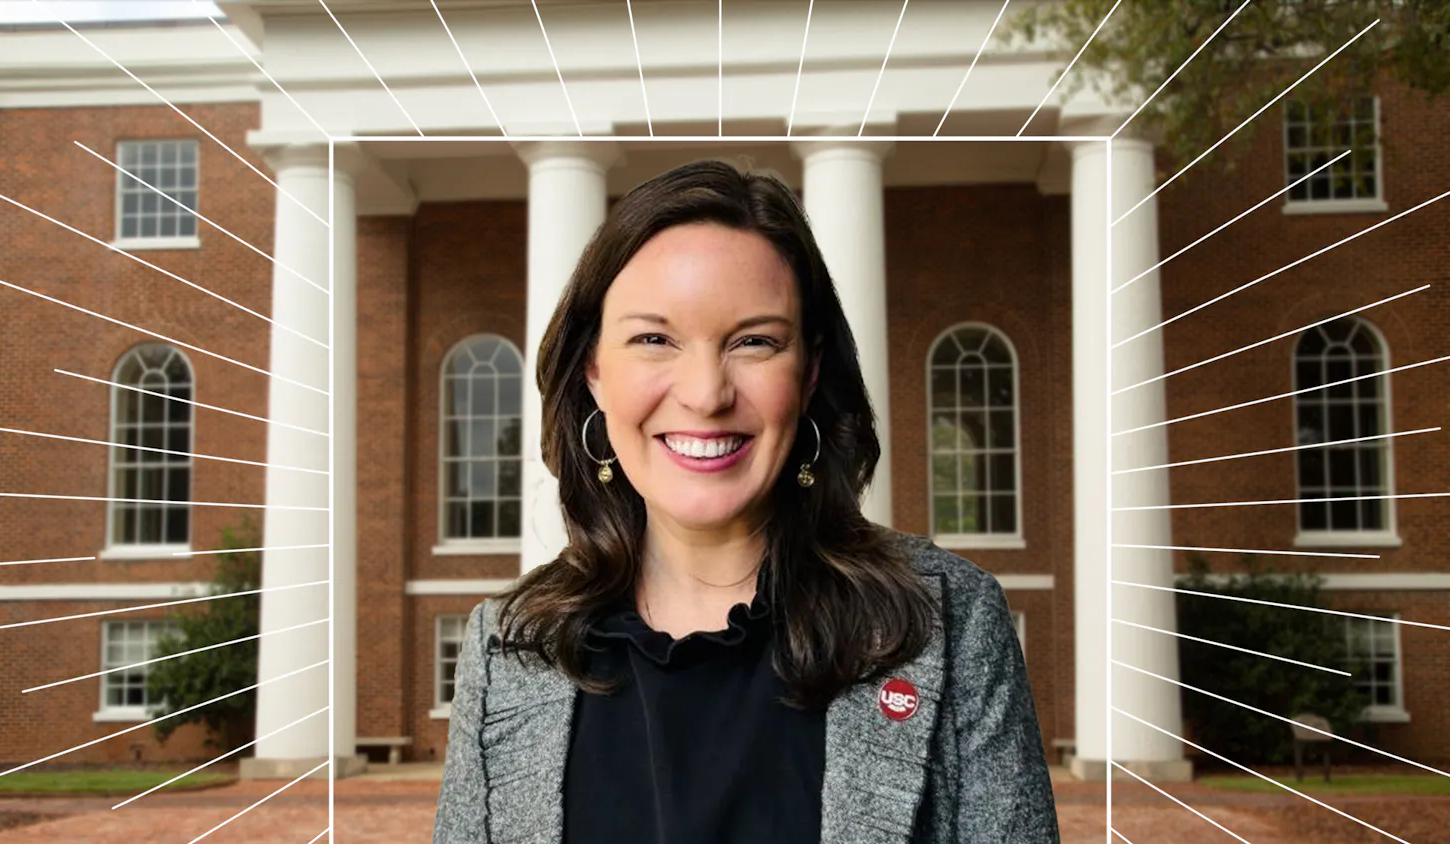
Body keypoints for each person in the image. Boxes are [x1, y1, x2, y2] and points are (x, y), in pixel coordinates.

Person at [432, 158, 1059, 843]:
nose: (706, 394)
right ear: (593, 371)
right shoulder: (510, 650)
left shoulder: (952, 624)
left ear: (810, 369)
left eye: (755, 341)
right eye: (653, 339)